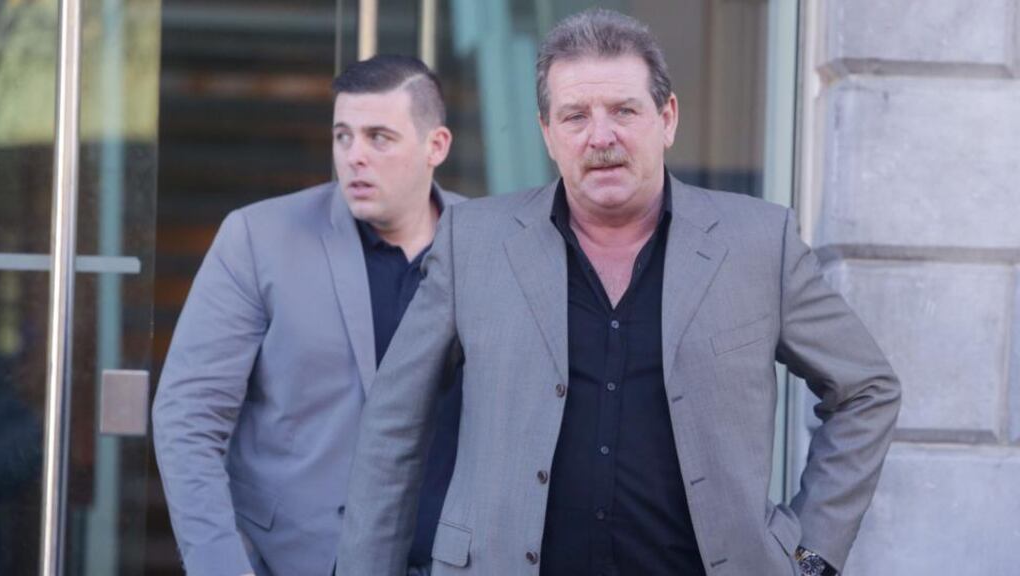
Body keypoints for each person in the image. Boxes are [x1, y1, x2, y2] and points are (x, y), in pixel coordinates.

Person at [335, 9, 901, 576]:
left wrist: (811, 554)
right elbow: (394, 427)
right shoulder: (472, 244)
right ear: (547, 134)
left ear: (667, 117)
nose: (601, 136)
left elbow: (866, 389)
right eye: (575, 116)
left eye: (624, 111)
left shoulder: (758, 243)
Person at [153, 54, 464, 576]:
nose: (354, 157)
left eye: (378, 138)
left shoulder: (491, 242)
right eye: (343, 136)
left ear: (436, 146)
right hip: (300, 559)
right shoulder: (258, 237)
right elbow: (188, 416)